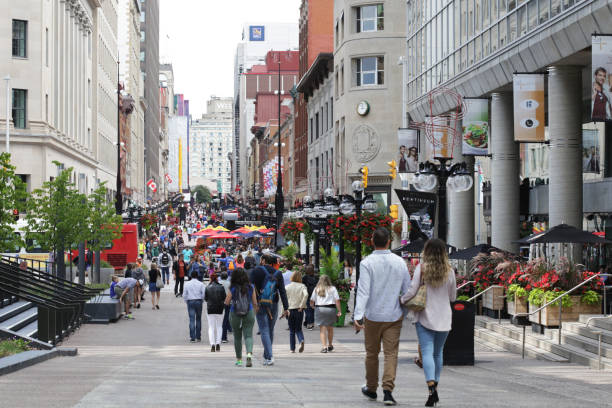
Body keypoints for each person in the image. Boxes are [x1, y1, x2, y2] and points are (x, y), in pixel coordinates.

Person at [354, 227, 411, 406]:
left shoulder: (367, 263)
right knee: (391, 354)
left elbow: (363, 291)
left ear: (372, 241)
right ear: (389, 241)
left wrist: (358, 315)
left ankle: (371, 388)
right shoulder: (399, 262)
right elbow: (407, 290)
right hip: (393, 315)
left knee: (371, 353)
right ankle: (388, 390)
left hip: (372, 315)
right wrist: (405, 311)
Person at [400, 239, 456, 407]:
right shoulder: (450, 272)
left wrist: (402, 300)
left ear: (427, 252)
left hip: (424, 316)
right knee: (438, 353)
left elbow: (412, 290)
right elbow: (453, 297)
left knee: (427, 353)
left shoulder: (422, 269)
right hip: (444, 317)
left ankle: (431, 389)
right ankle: (435, 387)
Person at [250, 254, 289, 366]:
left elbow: (250, 287)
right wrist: (286, 308)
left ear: (263, 260)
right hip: (274, 303)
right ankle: (267, 355)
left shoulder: (256, 271)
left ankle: (269, 356)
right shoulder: (278, 273)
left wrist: (253, 303)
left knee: (264, 329)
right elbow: (282, 291)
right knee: (270, 330)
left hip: (260, 303)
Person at [225, 267, 258, 367]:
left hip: (235, 313)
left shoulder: (233, 288)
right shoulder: (251, 286)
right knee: (248, 336)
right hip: (249, 312)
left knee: (237, 337)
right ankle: (248, 355)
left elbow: (227, 302)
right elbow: (255, 302)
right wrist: (254, 313)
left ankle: (239, 360)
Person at [310, 275, 341, 353]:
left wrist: (313, 307)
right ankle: (330, 345)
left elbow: (311, 301)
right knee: (330, 328)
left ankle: (324, 347)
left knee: (322, 329)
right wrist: (339, 310)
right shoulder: (333, 288)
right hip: (331, 309)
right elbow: (337, 300)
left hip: (320, 309)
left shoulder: (316, 289)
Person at [286, 271, 308, 353]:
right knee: (298, 329)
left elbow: (284, 299)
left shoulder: (287, 287)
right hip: (299, 310)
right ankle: (301, 340)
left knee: (291, 330)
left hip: (290, 310)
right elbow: (306, 295)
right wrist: (302, 306)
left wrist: (284, 311)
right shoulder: (302, 286)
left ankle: (292, 349)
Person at [205, 273, 227, 352]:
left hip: (210, 308)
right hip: (219, 308)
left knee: (211, 327)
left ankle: (212, 344)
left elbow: (206, 298)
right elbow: (224, 297)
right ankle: (218, 343)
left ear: (210, 279)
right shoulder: (221, 287)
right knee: (219, 326)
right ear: (217, 279)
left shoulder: (207, 287)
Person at [183, 270, 206, 342]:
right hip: (198, 301)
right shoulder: (201, 284)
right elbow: (204, 294)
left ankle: (192, 337)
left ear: (191, 276)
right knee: (198, 319)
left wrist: (186, 301)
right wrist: (202, 300)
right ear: (197, 276)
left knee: (192, 319)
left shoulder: (187, 284)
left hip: (190, 301)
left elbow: (184, 294)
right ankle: (198, 336)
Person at [302, 264, 318, 330]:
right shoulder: (316, 277)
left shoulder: (304, 277)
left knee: (307, 310)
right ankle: (310, 322)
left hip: (307, 295)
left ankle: (309, 323)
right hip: (314, 295)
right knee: (312, 309)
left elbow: (302, 286)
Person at [220, 271, 232, 343]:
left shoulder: (218, 282)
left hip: (219, 302)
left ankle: (228, 329)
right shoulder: (230, 283)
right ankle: (224, 337)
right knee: (226, 318)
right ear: (227, 277)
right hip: (228, 302)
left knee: (222, 319)